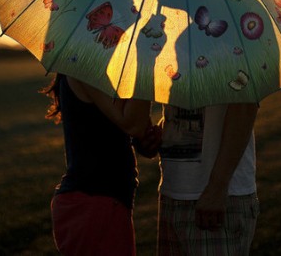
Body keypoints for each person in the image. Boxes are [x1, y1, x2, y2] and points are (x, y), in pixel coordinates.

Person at [43, 73, 156, 256]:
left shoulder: (111, 72)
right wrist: (146, 64)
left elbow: (136, 129)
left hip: (104, 200)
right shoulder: (85, 71)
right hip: (93, 203)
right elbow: (132, 125)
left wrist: (146, 142)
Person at [144, 102, 259, 256]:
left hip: (219, 197)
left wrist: (217, 187)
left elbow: (246, 106)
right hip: (172, 193)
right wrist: (161, 134)